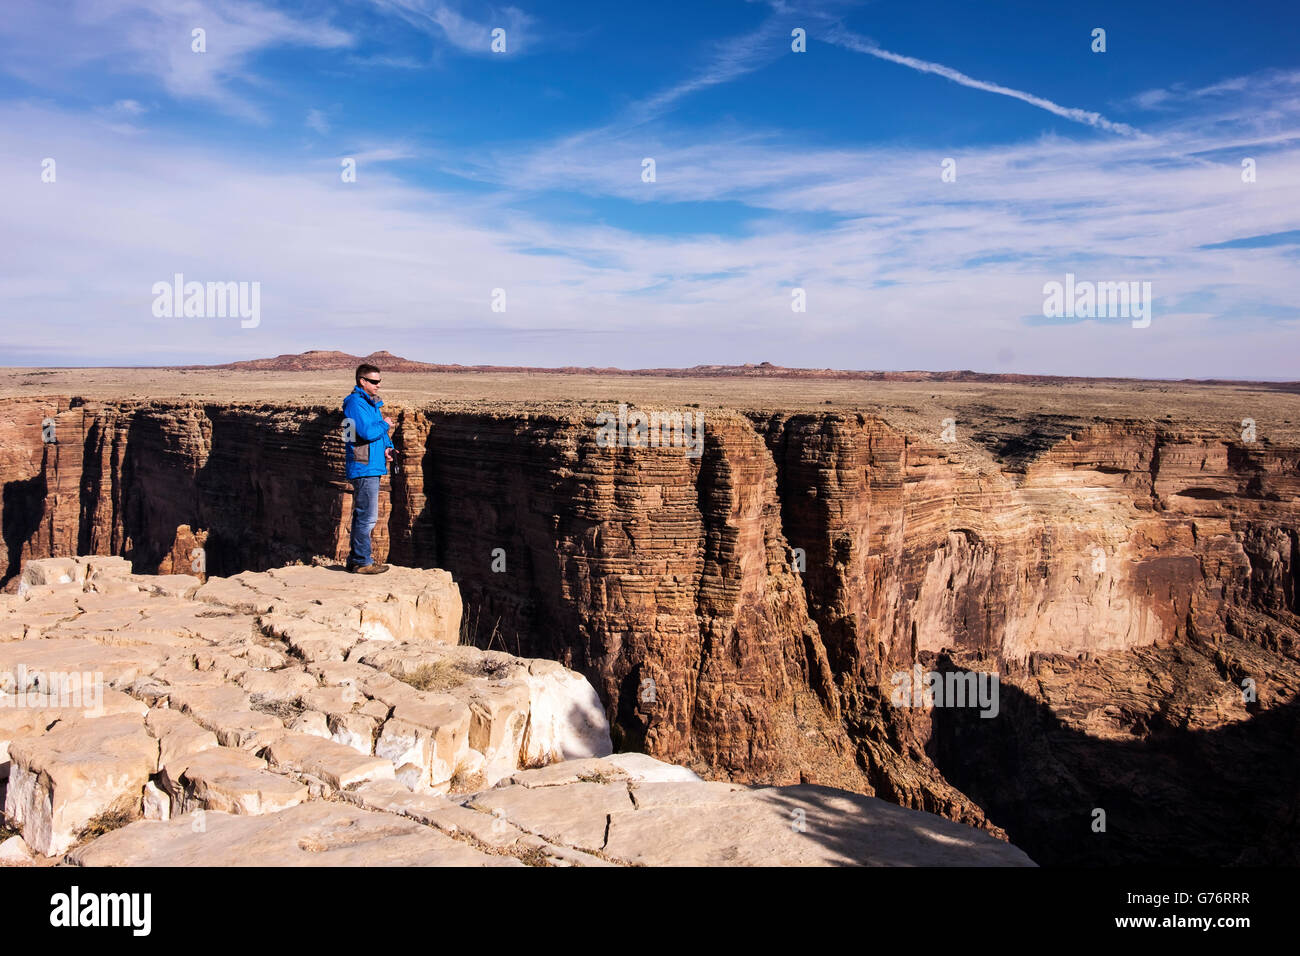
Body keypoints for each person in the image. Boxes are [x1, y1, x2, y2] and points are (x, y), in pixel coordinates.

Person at [342, 363, 395, 573]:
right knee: (367, 517)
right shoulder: (355, 403)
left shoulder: (371, 404)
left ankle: (357, 559)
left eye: (380, 381)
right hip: (363, 466)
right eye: (374, 381)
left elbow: (377, 434)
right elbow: (366, 432)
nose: (378, 385)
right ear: (362, 381)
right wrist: (386, 424)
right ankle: (363, 563)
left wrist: (388, 447)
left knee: (363, 515)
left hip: (372, 464)